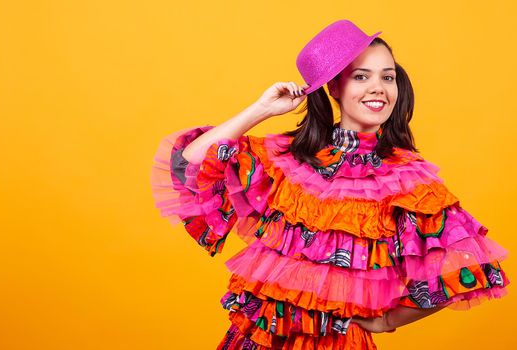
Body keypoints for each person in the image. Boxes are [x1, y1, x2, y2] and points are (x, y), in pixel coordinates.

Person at [150, 20, 510, 349]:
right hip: (258, 339)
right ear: (333, 87)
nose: (378, 88)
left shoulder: (407, 179)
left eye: (388, 77)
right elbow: (191, 163)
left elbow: (468, 267)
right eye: (361, 76)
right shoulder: (285, 161)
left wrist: (388, 321)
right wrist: (260, 109)